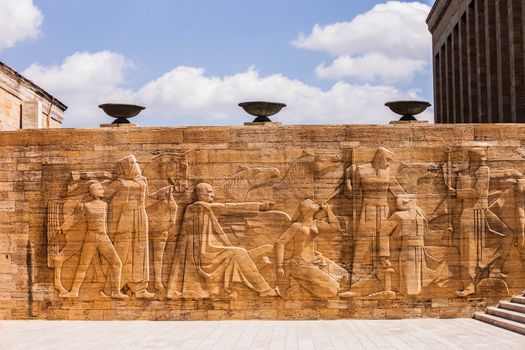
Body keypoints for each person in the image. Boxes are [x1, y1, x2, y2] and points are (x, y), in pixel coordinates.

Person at [166, 183, 280, 299]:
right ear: (201, 194)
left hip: (204, 252)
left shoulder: (193, 209)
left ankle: (264, 289)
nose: (213, 194)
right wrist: (259, 206)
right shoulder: (202, 207)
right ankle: (265, 290)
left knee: (240, 253)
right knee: (239, 252)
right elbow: (229, 207)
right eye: (210, 192)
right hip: (205, 254)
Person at [103, 155, 172, 298]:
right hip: (125, 217)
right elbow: (103, 195)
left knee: (141, 251)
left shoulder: (143, 181)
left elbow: (146, 200)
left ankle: (139, 288)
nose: (135, 165)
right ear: (126, 167)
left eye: (135, 163)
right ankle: (113, 287)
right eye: (132, 163)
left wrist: (160, 194)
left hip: (141, 217)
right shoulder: (119, 183)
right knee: (123, 251)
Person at [454, 148, 517, 296]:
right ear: (473, 158)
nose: (483, 160)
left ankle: (494, 267)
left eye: (484, 157)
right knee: (468, 252)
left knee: (507, 235)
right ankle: (469, 285)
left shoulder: (484, 171)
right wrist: (465, 193)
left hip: (483, 210)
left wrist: (465, 193)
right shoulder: (462, 174)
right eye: (480, 158)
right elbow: (459, 194)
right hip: (468, 212)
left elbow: (479, 192)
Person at [345, 147, 404, 295]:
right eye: (387, 159)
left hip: (384, 211)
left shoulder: (387, 172)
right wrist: (347, 180)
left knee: (383, 249)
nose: (389, 163)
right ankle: (355, 287)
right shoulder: (361, 170)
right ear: (379, 156)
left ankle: (384, 286)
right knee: (362, 247)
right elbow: (351, 194)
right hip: (367, 210)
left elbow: (400, 194)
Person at [58, 181, 127, 299]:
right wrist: (63, 227)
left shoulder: (104, 205)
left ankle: (115, 291)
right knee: (83, 265)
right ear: (94, 192)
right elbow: (75, 218)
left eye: (101, 188)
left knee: (116, 263)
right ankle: (74, 291)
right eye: (99, 189)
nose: (102, 190)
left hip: (103, 237)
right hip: (91, 237)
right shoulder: (86, 206)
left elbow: (105, 223)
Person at [275, 199, 349, 298]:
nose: (316, 203)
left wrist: (328, 211)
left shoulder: (316, 224)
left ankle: (304, 286)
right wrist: (280, 266)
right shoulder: (297, 226)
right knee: (333, 288)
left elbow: (336, 229)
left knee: (345, 276)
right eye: (312, 203)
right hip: (300, 263)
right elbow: (280, 243)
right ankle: (299, 288)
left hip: (316, 260)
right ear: (306, 208)